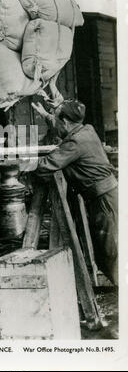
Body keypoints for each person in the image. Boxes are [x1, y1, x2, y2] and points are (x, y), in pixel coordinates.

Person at [32, 98, 118, 285]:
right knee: (106, 253)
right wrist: (48, 116)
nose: (55, 124)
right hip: (106, 196)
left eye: (56, 120)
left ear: (65, 122)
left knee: (111, 254)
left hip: (105, 201)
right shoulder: (87, 129)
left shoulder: (74, 142)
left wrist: (25, 163)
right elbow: (63, 129)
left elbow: (46, 165)